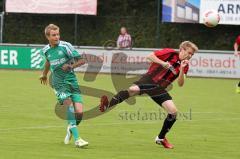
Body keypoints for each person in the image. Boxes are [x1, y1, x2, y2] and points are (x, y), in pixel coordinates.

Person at [99, 41, 198, 149]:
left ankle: (161, 138)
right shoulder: (170, 53)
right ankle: (107, 105)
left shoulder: (186, 65)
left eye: (192, 54)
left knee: (173, 112)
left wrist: (182, 68)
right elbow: (150, 56)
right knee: (132, 90)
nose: (190, 56)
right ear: (182, 49)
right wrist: (162, 63)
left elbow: (180, 83)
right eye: (189, 53)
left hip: (159, 88)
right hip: (149, 79)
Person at [39, 24, 88, 147]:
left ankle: (70, 128)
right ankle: (78, 139)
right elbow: (48, 61)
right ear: (47, 36)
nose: (57, 37)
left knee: (80, 113)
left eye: (58, 34)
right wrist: (44, 74)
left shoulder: (66, 46)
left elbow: (82, 60)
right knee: (69, 106)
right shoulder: (45, 50)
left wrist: (71, 66)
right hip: (58, 83)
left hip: (72, 81)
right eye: (53, 35)